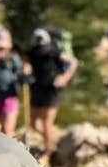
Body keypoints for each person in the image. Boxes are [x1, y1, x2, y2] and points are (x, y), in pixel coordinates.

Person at [23, 27, 78, 157]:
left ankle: (49, 152)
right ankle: (53, 142)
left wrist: (64, 78)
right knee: (33, 123)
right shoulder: (32, 52)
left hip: (51, 90)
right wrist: (26, 68)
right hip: (36, 88)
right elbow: (26, 62)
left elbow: (73, 62)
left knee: (47, 123)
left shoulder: (55, 52)